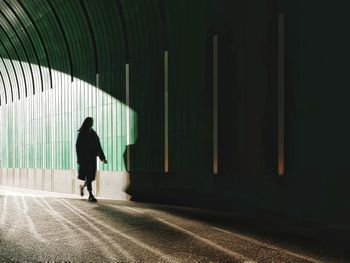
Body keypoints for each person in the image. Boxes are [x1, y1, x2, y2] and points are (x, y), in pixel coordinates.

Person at [76, 117, 107, 202]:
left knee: (92, 177)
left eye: (92, 122)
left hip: (93, 158)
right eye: (91, 122)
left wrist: (103, 158)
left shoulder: (93, 133)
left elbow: (98, 146)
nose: (92, 123)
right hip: (85, 158)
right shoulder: (82, 133)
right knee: (89, 176)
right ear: (87, 123)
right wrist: (79, 159)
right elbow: (78, 147)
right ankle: (90, 195)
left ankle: (82, 187)